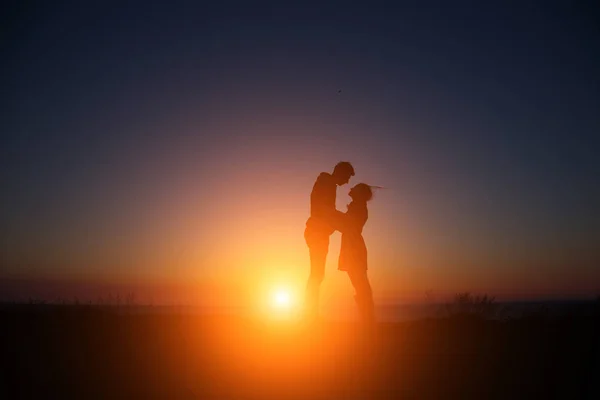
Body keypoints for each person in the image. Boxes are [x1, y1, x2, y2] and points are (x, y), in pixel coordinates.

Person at [304, 161, 355, 320]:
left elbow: (327, 211)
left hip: (318, 233)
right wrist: (345, 220)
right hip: (317, 233)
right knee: (317, 274)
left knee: (317, 274)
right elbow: (324, 211)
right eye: (347, 177)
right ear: (340, 172)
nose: (347, 182)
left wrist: (340, 220)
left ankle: (311, 314)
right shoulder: (326, 182)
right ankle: (310, 315)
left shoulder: (327, 183)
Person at [338, 183, 375, 325]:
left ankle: (368, 319)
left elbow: (345, 224)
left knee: (360, 283)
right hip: (352, 246)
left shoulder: (358, 207)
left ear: (359, 193)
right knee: (359, 283)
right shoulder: (357, 207)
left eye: (354, 188)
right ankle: (367, 318)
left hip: (353, 247)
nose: (351, 189)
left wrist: (329, 215)